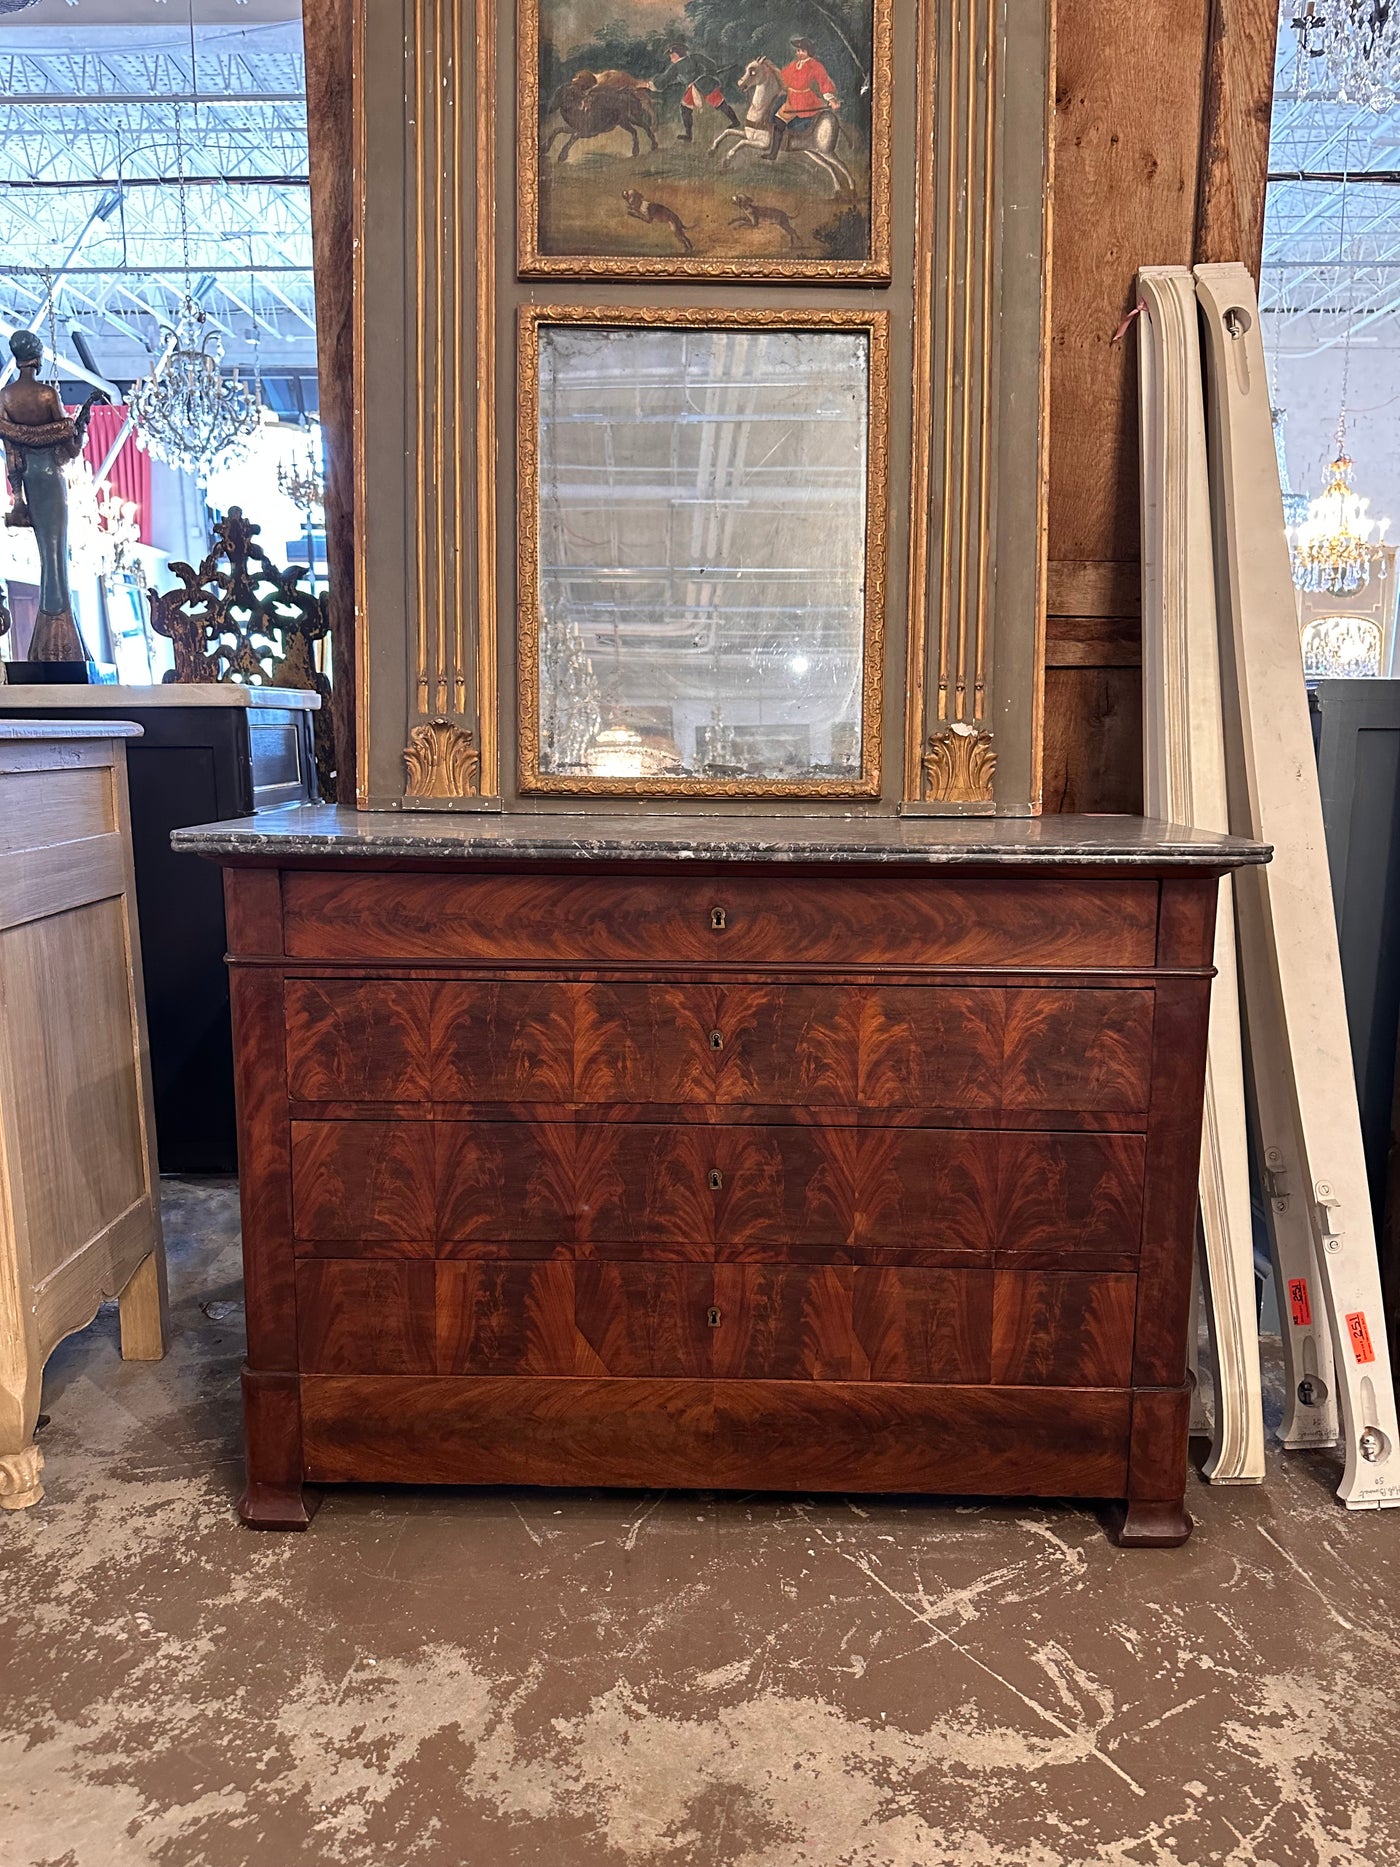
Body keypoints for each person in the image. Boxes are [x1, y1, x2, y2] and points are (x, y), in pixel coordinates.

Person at [0, 329, 106, 661]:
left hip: (29, 479)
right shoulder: (47, 395)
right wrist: (78, 428)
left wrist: (17, 497)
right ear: (38, 356)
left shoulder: (5, 397)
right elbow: (69, 446)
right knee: (57, 551)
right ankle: (61, 639)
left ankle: (49, 639)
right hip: (51, 476)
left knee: (49, 552)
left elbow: (11, 447)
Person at [766, 35, 840, 162]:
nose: (799, 53)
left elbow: (824, 82)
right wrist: (771, 67)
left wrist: (831, 99)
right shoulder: (795, 64)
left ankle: (788, 147)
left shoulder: (814, 65)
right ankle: (773, 154)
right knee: (776, 120)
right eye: (798, 51)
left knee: (782, 122)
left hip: (804, 101)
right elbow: (783, 77)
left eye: (802, 51)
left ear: (808, 52)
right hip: (791, 98)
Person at [652, 39, 740, 144]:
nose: (671, 58)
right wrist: (708, 74)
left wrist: (653, 84)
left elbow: (664, 79)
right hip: (702, 85)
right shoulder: (695, 57)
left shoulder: (676, 67)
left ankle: (689, 135)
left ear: (677, 54)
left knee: (717, 104)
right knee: (689, 107)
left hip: (703, 85)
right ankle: (735, 121)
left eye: (672, 55)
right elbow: (711, 65)